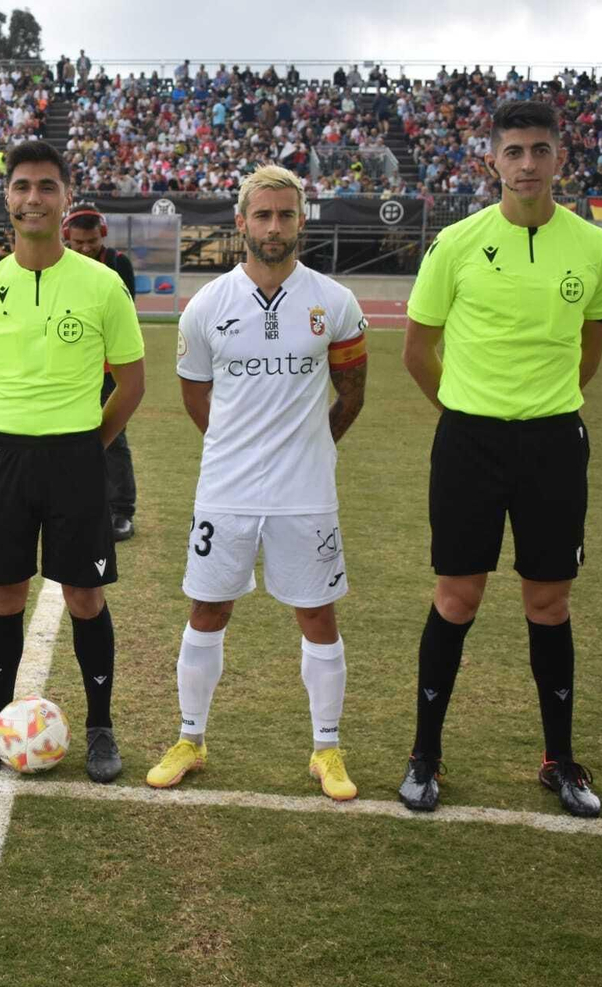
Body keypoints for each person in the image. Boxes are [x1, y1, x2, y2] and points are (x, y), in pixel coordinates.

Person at [400, 101, 602, 817]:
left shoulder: (594, 249)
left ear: (561, 158)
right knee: (456, 598)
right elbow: (417, 350)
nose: (526, 163)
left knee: (547, 601)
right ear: (491, 161)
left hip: (555, 443)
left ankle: (559, 760)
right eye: (514, 151)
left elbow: (590, 345)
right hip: (468, 442)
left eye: (539, 150)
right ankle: (425, 756)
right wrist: (470, 410)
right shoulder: (458, 244)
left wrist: (542, 404)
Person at [146, 165, 368, 799]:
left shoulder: (335, 302)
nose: (275, 226)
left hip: (306, 491)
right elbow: (196, 394)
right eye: (263, 215)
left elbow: (350, 396)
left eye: (286, 215)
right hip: (226, 489)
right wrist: (235, 449)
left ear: (301, 221)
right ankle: (190, 737)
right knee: (207, 607)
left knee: (316, 612)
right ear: (241, 223)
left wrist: (308, 450)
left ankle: (327, 749)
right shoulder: (208, 306)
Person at [0, 140, 146, 783]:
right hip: (2, 457)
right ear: (7, 197)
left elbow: (133, 383)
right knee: (5, 594)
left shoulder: (101, 284)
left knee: (85, 596)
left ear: (64, 197)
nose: (33, 198)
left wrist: (89, 443)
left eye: (46, 187)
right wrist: (6, 434)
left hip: (75, 460)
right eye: (22, 186)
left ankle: (100, 726)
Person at [64, 202, 139, 541]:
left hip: (109, 367)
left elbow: (122, 314)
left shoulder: (118, 264)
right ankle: (78, 501)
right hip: (71, 364)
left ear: (102, 234)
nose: (85, 248)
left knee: (114, 437)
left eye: (91, 241)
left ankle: (122, 510)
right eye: (78, 242)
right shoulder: (60, 265)